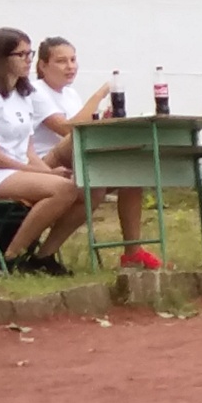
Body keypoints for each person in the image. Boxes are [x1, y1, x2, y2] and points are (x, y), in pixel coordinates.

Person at [0, 27, 85, 274]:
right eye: (21, 55)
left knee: (84, 191)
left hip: (14, 170)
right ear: (1, 58)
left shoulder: (23, 95)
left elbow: (29, 151)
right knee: (64, 189)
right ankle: (8, 259)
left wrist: (48, 172)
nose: (28, 60)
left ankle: (43, 256)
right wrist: (46, 175)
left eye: (29, 53)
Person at [28, 37, 154, 269]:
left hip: (78, 161)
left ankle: (133, 251)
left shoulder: (70, 94)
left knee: (131, 178)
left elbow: (82, 128)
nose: (70, 66)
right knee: (91, 184)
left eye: (73, 60)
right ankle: (43, 255)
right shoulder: (36, 92)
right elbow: (68, 130)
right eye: (61, 61)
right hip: (44, 165)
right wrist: (99, 96)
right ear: (43, 65)